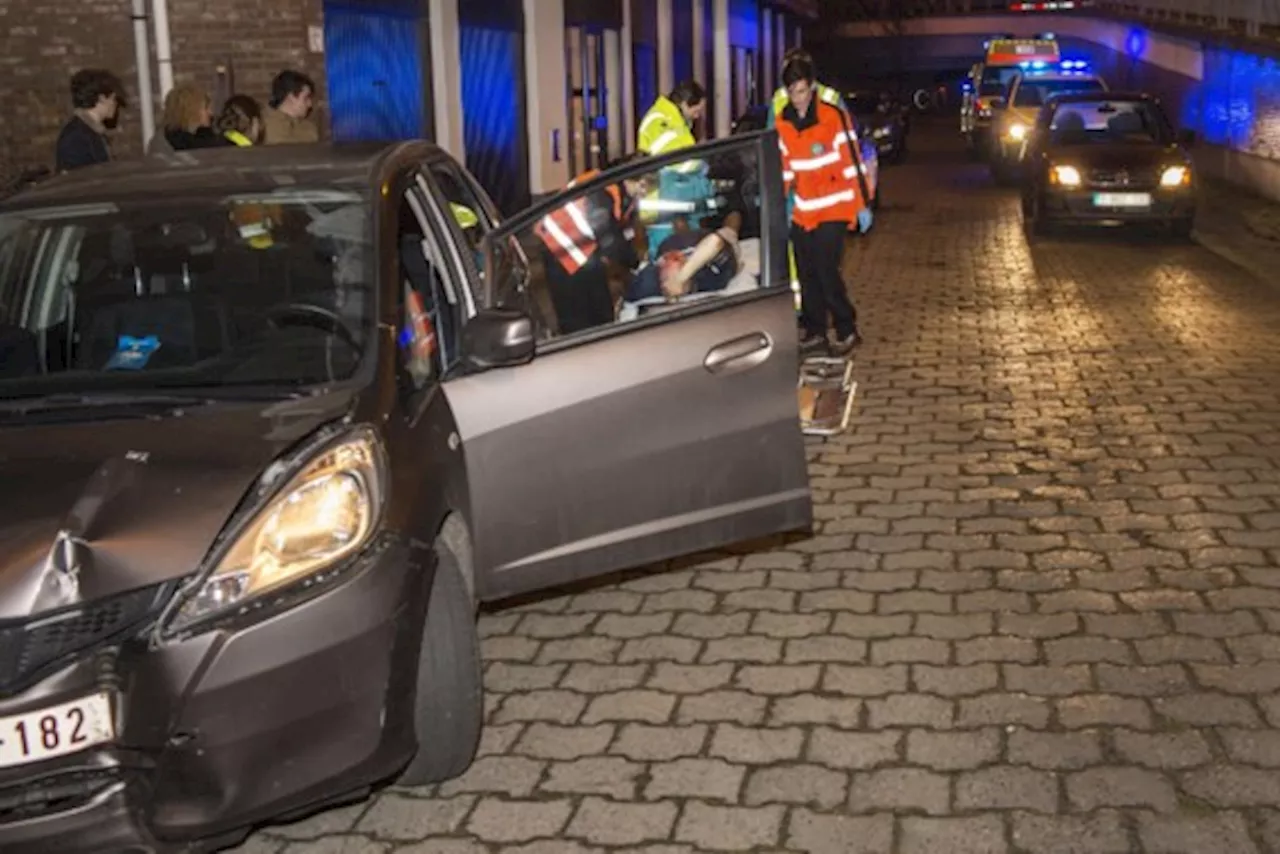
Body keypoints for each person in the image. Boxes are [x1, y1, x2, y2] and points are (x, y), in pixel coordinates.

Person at [776, 54, 863, 357]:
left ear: (811, 88)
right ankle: (815, 330)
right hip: (805, 209)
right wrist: (780, 199)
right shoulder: (783, 123)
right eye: (792, 92)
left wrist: (859, 206)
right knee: (806, 271)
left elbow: (851, 162)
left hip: (834, 207)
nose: (797, 99)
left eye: (801, 91)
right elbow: (786, 167)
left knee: (827, 270)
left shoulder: (832, 117)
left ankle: (846, 327)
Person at [534, 162, 650, 335]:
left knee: (597, 310)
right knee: (580, 317)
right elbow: (609, 238)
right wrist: (635, 265)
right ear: (634, 181)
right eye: (644, 187)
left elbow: (621, 232)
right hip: (562, 251)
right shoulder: (603, 191)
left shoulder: (615, 190)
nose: (645, 194)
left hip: (577, 249)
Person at [637, 80, 714, 255]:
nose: (697, 116)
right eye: (697, 110)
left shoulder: (674, 121)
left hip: (675, 204)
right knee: (665, 260)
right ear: (685, 103)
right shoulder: (661, 120)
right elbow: (680, 162)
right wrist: (706, 164)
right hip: (663, 208)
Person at [54, 69, 127, 173]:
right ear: (102, 99)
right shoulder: (76, 137)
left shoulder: (89, 131)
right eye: (113, 98)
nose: (115, 104)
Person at [152, 83, 227, 151]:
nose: (210, 113)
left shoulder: (213, 134)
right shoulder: (164, 144)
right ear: (191, 110)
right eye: (206, 108)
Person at [263, 70, 319, 144]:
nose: (310, 104)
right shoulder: (265, 126)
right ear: (291, 97)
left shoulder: (308, 127)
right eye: (306, 98)